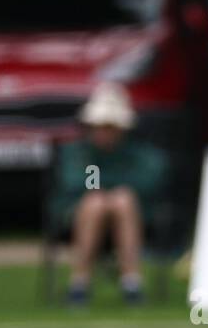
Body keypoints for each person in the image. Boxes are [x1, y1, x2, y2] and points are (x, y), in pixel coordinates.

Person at [49, 83, 168, 305]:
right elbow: (78, 183)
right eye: (100, 126)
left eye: (110, 126)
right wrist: (110, 189)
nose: (104, 132)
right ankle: (79, 283)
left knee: (123, 200)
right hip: (77, 216)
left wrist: (113, 190)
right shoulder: (79, 152)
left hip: (133, 216)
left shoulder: (138, 153)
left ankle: (131, 282)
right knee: (96, 201)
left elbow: (151, 180)